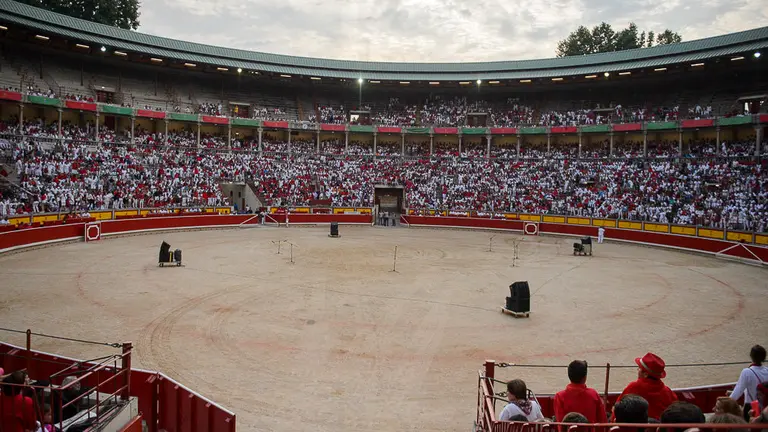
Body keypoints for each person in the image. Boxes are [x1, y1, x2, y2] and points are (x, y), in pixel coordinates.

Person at [615, 353, 677, 421]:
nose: (637, 370)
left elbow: (618, 410)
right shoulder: (668, 391)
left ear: (645, 374)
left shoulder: (634, 387)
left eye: (639, 368)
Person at [730, 345, 768, 422]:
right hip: (766, 407)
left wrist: (725, 403)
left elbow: (737, 392)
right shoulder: (767, 370)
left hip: (752, 408)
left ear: (751, 356)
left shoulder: (746, 372)